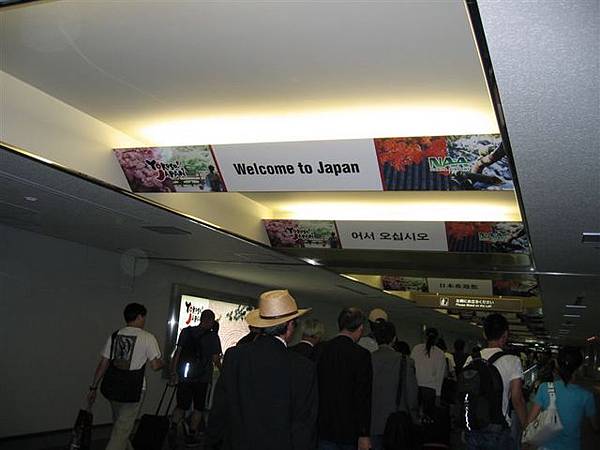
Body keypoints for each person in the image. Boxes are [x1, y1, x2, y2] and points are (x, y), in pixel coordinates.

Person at [207, 289, 317, 450]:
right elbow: (304, 425)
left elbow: (220, 409)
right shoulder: (303, 367)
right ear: (290, 326)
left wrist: (211, 442)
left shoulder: (235, 356)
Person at [87, 303, 164, 450]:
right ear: (140, 316)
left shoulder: (115, 335)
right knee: (121, 432)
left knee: (120, 427)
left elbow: (103, 363)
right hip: (133, 390)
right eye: (144, 317)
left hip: (113, 389)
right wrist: (164, 363)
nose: (144, 320)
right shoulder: (148, 337)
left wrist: (93, 387)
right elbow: (155, 366)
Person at [464, 313, 528, 450]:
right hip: (497, 427)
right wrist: (527, 427)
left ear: (484, 334)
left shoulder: (471, 359)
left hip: (472, 426)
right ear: (505, 335)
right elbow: (517, 399)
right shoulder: (513, 360)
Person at [317, 307, 372, 450]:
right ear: (360, 328)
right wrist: (364, 434)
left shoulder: (321, 349)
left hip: (323, 427)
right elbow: (363, 396)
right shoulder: (362, 355)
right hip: (350, 429)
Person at [527, 346, 598, 450]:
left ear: (557, 365)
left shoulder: (544, 388)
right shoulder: (586, 396)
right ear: (579, 367)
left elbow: (530, 420)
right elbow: (595, 426)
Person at [170, 309, 222, 444]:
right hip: (203, 379)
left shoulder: (186, 332)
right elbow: (216, 359)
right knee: (199, 408)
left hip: (185, 376)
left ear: (201, 318)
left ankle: (173, 427)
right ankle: (192, 435)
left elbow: (178, 352)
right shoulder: (213, 337)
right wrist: (224, 370)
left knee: (181, 405)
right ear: (211, 321)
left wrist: (174, 372)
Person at [370, 322, 419, 450]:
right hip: (398, 425)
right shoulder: (406, 361)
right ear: (394, 339)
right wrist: (414, 419)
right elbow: (411, 395)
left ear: (376, 339)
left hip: (372, 424)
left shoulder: (367, 359)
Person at [411, 328, 446, 417]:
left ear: (425, 336)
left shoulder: (416, 349)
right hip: (430, 390)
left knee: (414, 417)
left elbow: (411, 369)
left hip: (416, 388)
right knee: (428, 418)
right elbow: (439, 376)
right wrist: (438, 395)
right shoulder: (440, 354)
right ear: (437, 338)